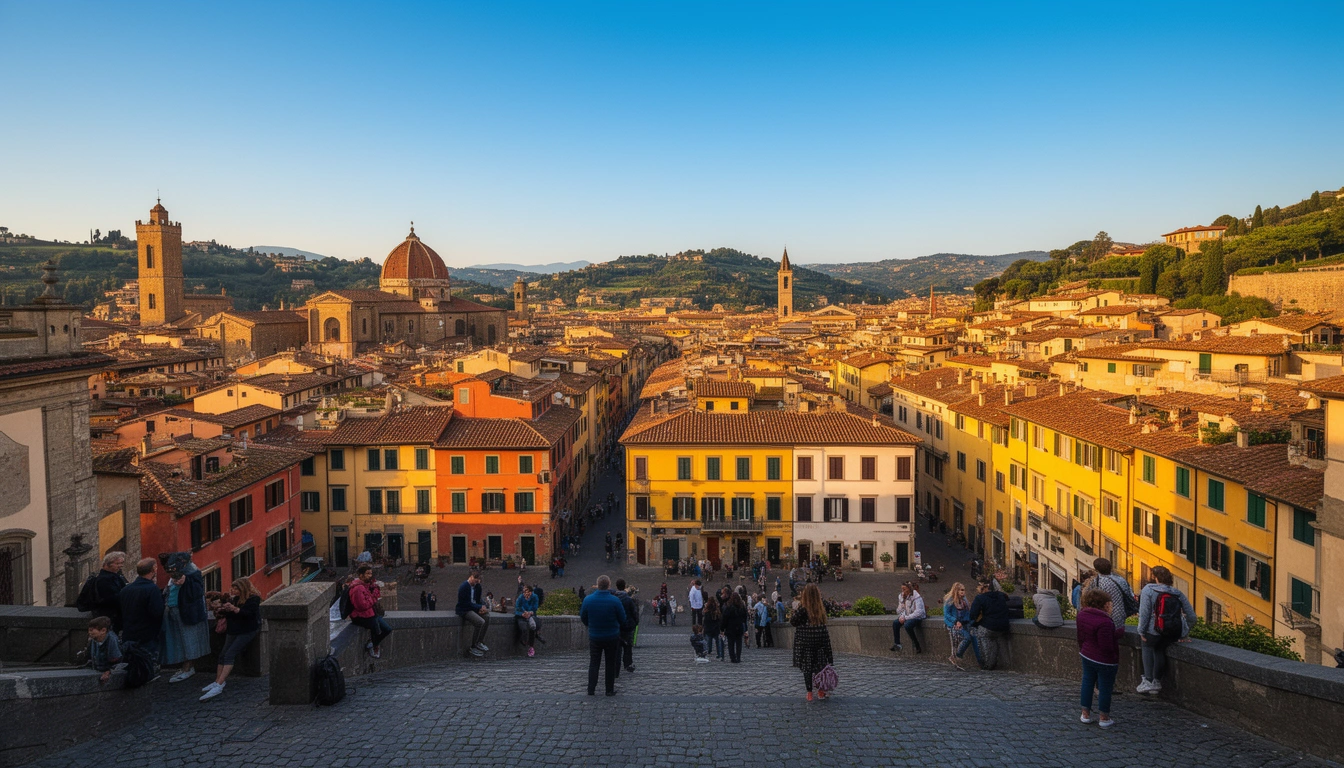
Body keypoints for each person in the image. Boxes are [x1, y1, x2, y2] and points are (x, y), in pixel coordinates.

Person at [199, 577, 262, 701]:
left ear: (242, 588)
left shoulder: (253, 599)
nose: (232, 590)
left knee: (229, 654)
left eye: (235, 588)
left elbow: (248, 614)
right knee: (222, 655)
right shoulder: (235, 599)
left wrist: (234, 609)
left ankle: (219, 685)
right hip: (233, 630)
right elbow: (232, 616)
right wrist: (224, 610)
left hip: (246, 631)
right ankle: (217, 681)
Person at [1136, 565, 1196, 695]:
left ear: (1155, 577)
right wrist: (1184, 632)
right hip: (1170, 632)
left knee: (1147, 647)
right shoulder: (1177, 593)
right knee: (1160, 650)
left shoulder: (1148, 590)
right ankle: (1157, 682)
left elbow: (1144, 613)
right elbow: (1192, 617)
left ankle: (1148, 680)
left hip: (1152, 630)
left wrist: (1141, 631)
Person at [1076, 588, 1124, 727]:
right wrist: (1117, 636)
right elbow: (1106, 646)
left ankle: (1085, 714)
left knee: (1087, 682)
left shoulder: (1081, 615)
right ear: (1104, 604)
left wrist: (1083, 649)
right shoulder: (1105, 622)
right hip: (1103, 660)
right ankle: (1104, 718)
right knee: (1105, 688)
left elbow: (1081, 636)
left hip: (1086, 654)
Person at [160, 552, 210, 684]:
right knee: (183, 641)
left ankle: (188, 668)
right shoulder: (185, 571)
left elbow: (197, 592)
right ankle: (186, 667)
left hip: (187, 613)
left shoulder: (192, 573)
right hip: (177, 611)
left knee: (188, 640)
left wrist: (186, 582)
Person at [579, 575, 627, 696]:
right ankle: (609, 690)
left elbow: (583, 616)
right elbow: (623, 618)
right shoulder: (615, 601)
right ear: (609, 585)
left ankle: (591, 689)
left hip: (595, 636)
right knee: (610, 663)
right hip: (612, 636)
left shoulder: (588, 600)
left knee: (594, 662)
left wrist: (590, 625)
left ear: (597, 585)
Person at [791, 584, 834, 701]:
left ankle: (809, 693)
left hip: (806, 642)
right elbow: (830, 607)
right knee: (820, 666)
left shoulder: (803, 609)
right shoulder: (821, 606)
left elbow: (793, 621)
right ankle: (820, 691)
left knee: (807, 667)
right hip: (820, 640)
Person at [119, 558, 165, 659]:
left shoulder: (125, 590)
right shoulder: (152, 589)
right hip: (147, 636)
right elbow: (157, 613)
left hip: (128, 634)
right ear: (154, 569)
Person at [349, 565, 392, 658]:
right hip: (360, 617)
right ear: (361, 575)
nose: (370, 575)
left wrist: (374, 590)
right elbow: (361, 606)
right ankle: (374, 645)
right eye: (367, 573)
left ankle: (373, 643)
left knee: (387, 629)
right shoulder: (358, 588)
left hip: (370, 614)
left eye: (371, 573)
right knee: (377, 628)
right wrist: (373, 598)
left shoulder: (366, 585)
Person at [967, 579, 1010, 670]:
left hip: (989, 626)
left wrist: (974, 623)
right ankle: (993, 661)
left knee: (980, 635)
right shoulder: (1001, 595)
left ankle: (987, 663)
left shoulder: (980, 598)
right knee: (993, 639)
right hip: (1004, 626)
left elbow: (973, 614)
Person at [1086, 558, 1136, 629]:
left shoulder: (1097, 581)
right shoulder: (1120, 579)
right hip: (1120, 614)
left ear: (1097, 570)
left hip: (1105, 615)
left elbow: (1089, 597)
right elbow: (1130, 594)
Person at [86, 551, 128, 632]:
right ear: (107, 564)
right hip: (110, 617)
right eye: (117, 563)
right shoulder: (104, 580)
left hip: (114, 615)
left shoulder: (114, 575)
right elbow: (112, 598)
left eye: (121, 563)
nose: (121, 566)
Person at [942, 582, 980, 669]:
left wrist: (970, 620)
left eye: (964, 590)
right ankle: (957, 655)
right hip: (954, 624)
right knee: (967, 638)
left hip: (964, 622)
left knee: (973, 637)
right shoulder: (950, 600)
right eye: (961, 590)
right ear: (956, 591)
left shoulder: (964, 600)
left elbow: (967, 612)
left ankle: (979, 661)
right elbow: (946, 614)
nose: (963, 592)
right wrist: (955, 621)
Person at [456, 570, 491, 658]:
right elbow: (465, 603)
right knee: (480, 621)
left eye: (478, 581)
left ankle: (480, 641)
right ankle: (473, 646)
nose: (476, 583)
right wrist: (479, 607)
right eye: (475, 581)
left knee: (487, 617)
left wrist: (483, 606)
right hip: (465, 609)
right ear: (471, 577)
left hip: (474, 608)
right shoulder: (464, 587)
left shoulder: (477, 586)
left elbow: (478, 599)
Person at [891, 582, 926, 653]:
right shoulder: (902, 597)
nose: (903, 591)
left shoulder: (916, 597)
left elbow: (919, 612)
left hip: (917, 617)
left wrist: (906, 618)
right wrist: (901, 608)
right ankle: (897, 644)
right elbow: (900, 611)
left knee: (907, 625)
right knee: (895, 623)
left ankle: (916, 644)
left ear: (909, 589)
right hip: (907, 616)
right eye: (902, 589)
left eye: (904, 589)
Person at [86, 616, 122, 685]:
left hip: (109, 668)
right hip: (98, 667)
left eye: (91, 630)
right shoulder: (94, 639)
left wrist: (109, 671)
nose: (89, 632)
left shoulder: (112, 640)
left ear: (103, 630)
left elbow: (116, 659)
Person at [613, 578, 639, 674]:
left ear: (616, 586)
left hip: (616, 627)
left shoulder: (613, 599)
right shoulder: (628, 599)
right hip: (628, 626)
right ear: (624, 587)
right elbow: (634, 612)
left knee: (617, 648)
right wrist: (635, 622)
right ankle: (628, 664)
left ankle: (616, 666)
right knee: (628, 647)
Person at [721, 592, 748, 663]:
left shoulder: (728, 606)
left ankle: (732, 657)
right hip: (739, 626)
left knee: (731, 643)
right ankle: (738, 657)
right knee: (739, 643)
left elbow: (725, 618)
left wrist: (722, 627)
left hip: (730, 627)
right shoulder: (742, 606)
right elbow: (745, 617)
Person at [514, 584, 541, 657]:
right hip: (522, 615)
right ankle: (524, 641)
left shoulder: (534, 597)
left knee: (532, 626)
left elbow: (535, 607)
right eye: (525, 592)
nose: (526, 594)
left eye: (528, 592)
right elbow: (517, 608)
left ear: (531, 592)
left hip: (531, 615)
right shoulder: (520, 597)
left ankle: (531, 646)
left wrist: (530, 612)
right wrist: (522, 614)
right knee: (523, 627)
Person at [703, 595, 725, 661]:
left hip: (708, 628)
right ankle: (719, 653)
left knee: (709, 641)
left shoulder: (707, 611)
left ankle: (709, 650)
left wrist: (704, 628)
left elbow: (705, 621)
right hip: (716, 628)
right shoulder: (717, 611)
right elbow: (720, 620)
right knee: (718, 641)